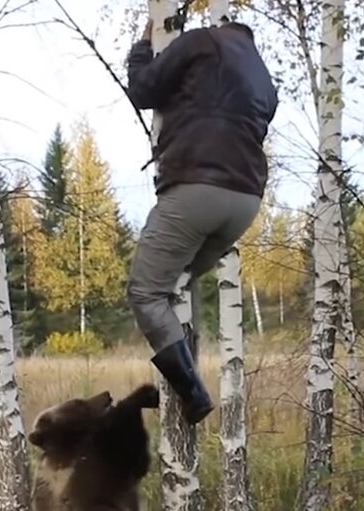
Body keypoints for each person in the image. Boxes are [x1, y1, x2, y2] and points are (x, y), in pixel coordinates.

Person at [125, 18, 278, 425]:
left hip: (196, 188)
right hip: (245, 200)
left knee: (147, 292)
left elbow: (142, 90)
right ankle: (186, 370)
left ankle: (192, 393)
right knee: (180, 280)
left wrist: (143, 47)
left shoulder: (200, 43)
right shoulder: (263, 78)